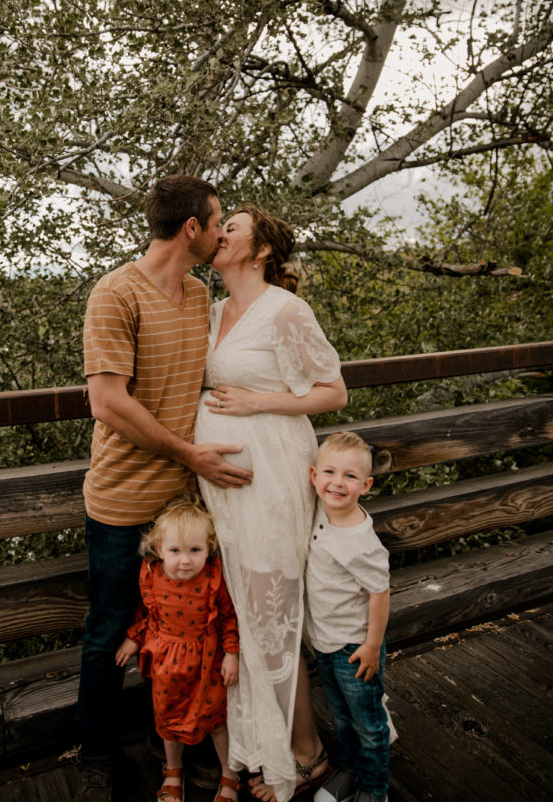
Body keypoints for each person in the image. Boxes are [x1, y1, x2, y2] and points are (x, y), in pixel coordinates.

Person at [77, 175, 251, 802]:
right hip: (124, 503)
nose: (221, 230)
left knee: (195, 631)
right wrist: (188, 454)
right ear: (191, 229)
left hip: (188, 510)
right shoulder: (115, 293)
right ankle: (95, 756)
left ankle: (179, 741)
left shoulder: (198, 292)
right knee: (109, 631)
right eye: (217, 220)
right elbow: (107, 402)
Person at [194, 204, 348, 802]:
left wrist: (259, 404)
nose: (219, 233)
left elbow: (333, 391)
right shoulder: (211, 312)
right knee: (248, 613)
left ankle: (307, 758)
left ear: (260, 250)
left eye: (231, 227)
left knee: (271, 612)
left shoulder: (286, 310)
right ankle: (267, 748)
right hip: (226, 492)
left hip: (275, 479)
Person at [116, 494, 242, 802]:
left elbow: (227, 617)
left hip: (206, 663)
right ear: (160, 549)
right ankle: (173, 770)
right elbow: (148, 614)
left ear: (208, 549)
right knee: (167, 720)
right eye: (175, 550)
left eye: (195, 550)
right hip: (166, 664)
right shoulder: (152, 575)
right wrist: (133, 638)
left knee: (216, 720)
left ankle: (230, 774)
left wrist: (232, 654)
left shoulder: (213, 577)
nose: (185, 560)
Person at [307, 432, 391, 802]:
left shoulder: (361, 541)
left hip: (354, 647)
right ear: (313, 476)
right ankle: (350, 771)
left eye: (350, 476)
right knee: (340, 716)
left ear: (366, 485)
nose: (337, 483)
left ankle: (375, 789)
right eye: (329, 472)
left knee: (368, 724)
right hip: (324, 641)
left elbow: (380, 593)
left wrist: (372, 646)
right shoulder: (316, 511)